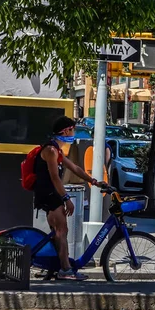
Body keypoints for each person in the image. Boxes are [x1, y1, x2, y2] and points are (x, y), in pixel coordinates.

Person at [33, 116, 107, 280]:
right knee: (61, 231)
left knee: (58, 232)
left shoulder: (57, 150)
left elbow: (74, 168)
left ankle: (56, 265)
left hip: (51, 194)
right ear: (66, 130)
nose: (74, 133)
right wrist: (66, 198)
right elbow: (54, 177)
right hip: (50, 194)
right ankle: (65, 269)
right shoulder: (51, 151)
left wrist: (94, 182)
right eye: (73, 130)